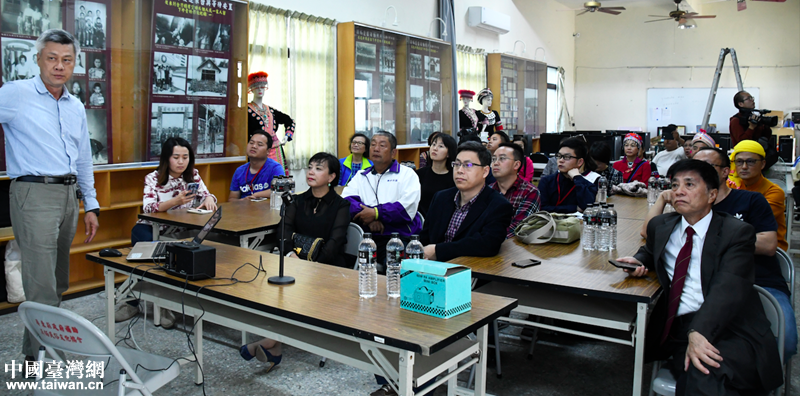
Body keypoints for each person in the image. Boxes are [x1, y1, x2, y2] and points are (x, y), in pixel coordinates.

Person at [618, 159, 783, 396]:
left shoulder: (736, 232)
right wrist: (640, 261)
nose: (679, 192)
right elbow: (650, 251)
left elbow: (729, 288)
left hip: (730, 323)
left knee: (711, 375)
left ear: (712, 195)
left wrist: (700, 332)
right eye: (674, 185)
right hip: (679, 325)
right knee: (701, 374)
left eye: (689, 184)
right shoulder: (661, 225)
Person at [0, 29, 100, 362]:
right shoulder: (15, 94)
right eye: (52, 58)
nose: (59, 66)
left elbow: (83, 158)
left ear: (75, 64)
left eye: (67, 60)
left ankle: (46, 350)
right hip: (33, 194)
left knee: (57, 283)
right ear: (39, 59)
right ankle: (36, 362)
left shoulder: (74, 106)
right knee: (41, 286)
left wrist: (92, 204)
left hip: (68, 197)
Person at [240, 153, 350, 373]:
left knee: (298, 288)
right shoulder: (296, 200)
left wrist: (311, 266)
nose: (311, 172)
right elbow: (284, 230)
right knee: (272, 280)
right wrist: (290, 255)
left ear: (332, 176)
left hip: (327, 267)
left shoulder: (341, 205)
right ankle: (274, 344)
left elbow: (335, 242)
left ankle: (272, 342)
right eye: (310, 167)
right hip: (296, 261)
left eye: (319, 168)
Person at [120, 138, 217, 327]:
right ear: (167, 158)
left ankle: (167, 304)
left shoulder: (194, 175)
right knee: (148, 255)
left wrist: (209, 199)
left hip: (180, 229)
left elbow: (207, 193)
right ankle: (131, 301)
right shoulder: (153, 178)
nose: (181, 162)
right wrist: (175, 201)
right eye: (176, 157)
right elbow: (148, 208)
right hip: (151, 226)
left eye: (185, 157)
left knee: (194, 250)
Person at [418, 141, 513, 262]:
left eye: (467, 166)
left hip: (471, 272)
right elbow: (425, 237)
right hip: (430, 269)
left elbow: (488, 244)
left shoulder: (498, 205)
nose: (460, 170)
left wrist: (438, 251)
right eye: (457, 164)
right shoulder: (441, 197)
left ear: (485, 171)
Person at [341, 131, 422, 270]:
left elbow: (406, 208)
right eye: (373, 145)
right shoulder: (361, 175)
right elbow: (346, 202)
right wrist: (370, 217)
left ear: (393, 152)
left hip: (398, 237)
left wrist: (377, 213)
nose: (376, 149)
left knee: (395, 269)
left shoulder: (407, 174)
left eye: (382, 145)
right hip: (367, 236)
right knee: (341, 261)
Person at [727, 141, 787, 251]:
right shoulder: (730, 186)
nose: (744, 167)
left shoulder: (773, 192)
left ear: (763, 164)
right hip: (734, 245)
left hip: (766, 250)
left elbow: (749, 222)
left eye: (750, 162)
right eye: (739, 162)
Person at [489, 143, 540, 238]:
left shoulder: (530, 192)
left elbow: (518, 228)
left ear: (516, 165)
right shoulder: (487, 190)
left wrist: (488, 240)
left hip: (513, 248)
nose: (495, 163)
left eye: (502, 158)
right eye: (493, 159)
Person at [247, 71, 295, 175]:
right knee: (261, 177)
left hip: (276, 149)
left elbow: (289, 121)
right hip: (258, 150)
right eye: (256, 86)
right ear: (251, 89)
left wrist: (287, 136)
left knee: (278, 177)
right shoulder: (247, 111)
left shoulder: (270, 110)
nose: (260, 89)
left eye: (262, 86)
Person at [538, 137, 599, 213]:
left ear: (580, 162)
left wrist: (577, 178)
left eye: (567, 157)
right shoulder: (546, 181)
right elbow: (542, 209)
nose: (561, 160)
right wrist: (574, 208)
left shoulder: (588, 183)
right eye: (559, 156)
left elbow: (587, 207)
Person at [229, 130, 285, 200]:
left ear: (268, 151)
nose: (254, 146)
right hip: (244, 209)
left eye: (260, 144)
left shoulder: (275, 168)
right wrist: (243, 201)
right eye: (251, 143)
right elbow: (232, 198)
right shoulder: (239, 171)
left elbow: (281, 189)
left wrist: (256, 195)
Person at [416, 133, 456, 217]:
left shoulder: (455, 176)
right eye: (433, 144)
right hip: (421, 221)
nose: (435, 148)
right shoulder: (419, 174)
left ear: (449, 153)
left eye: (441, 146)